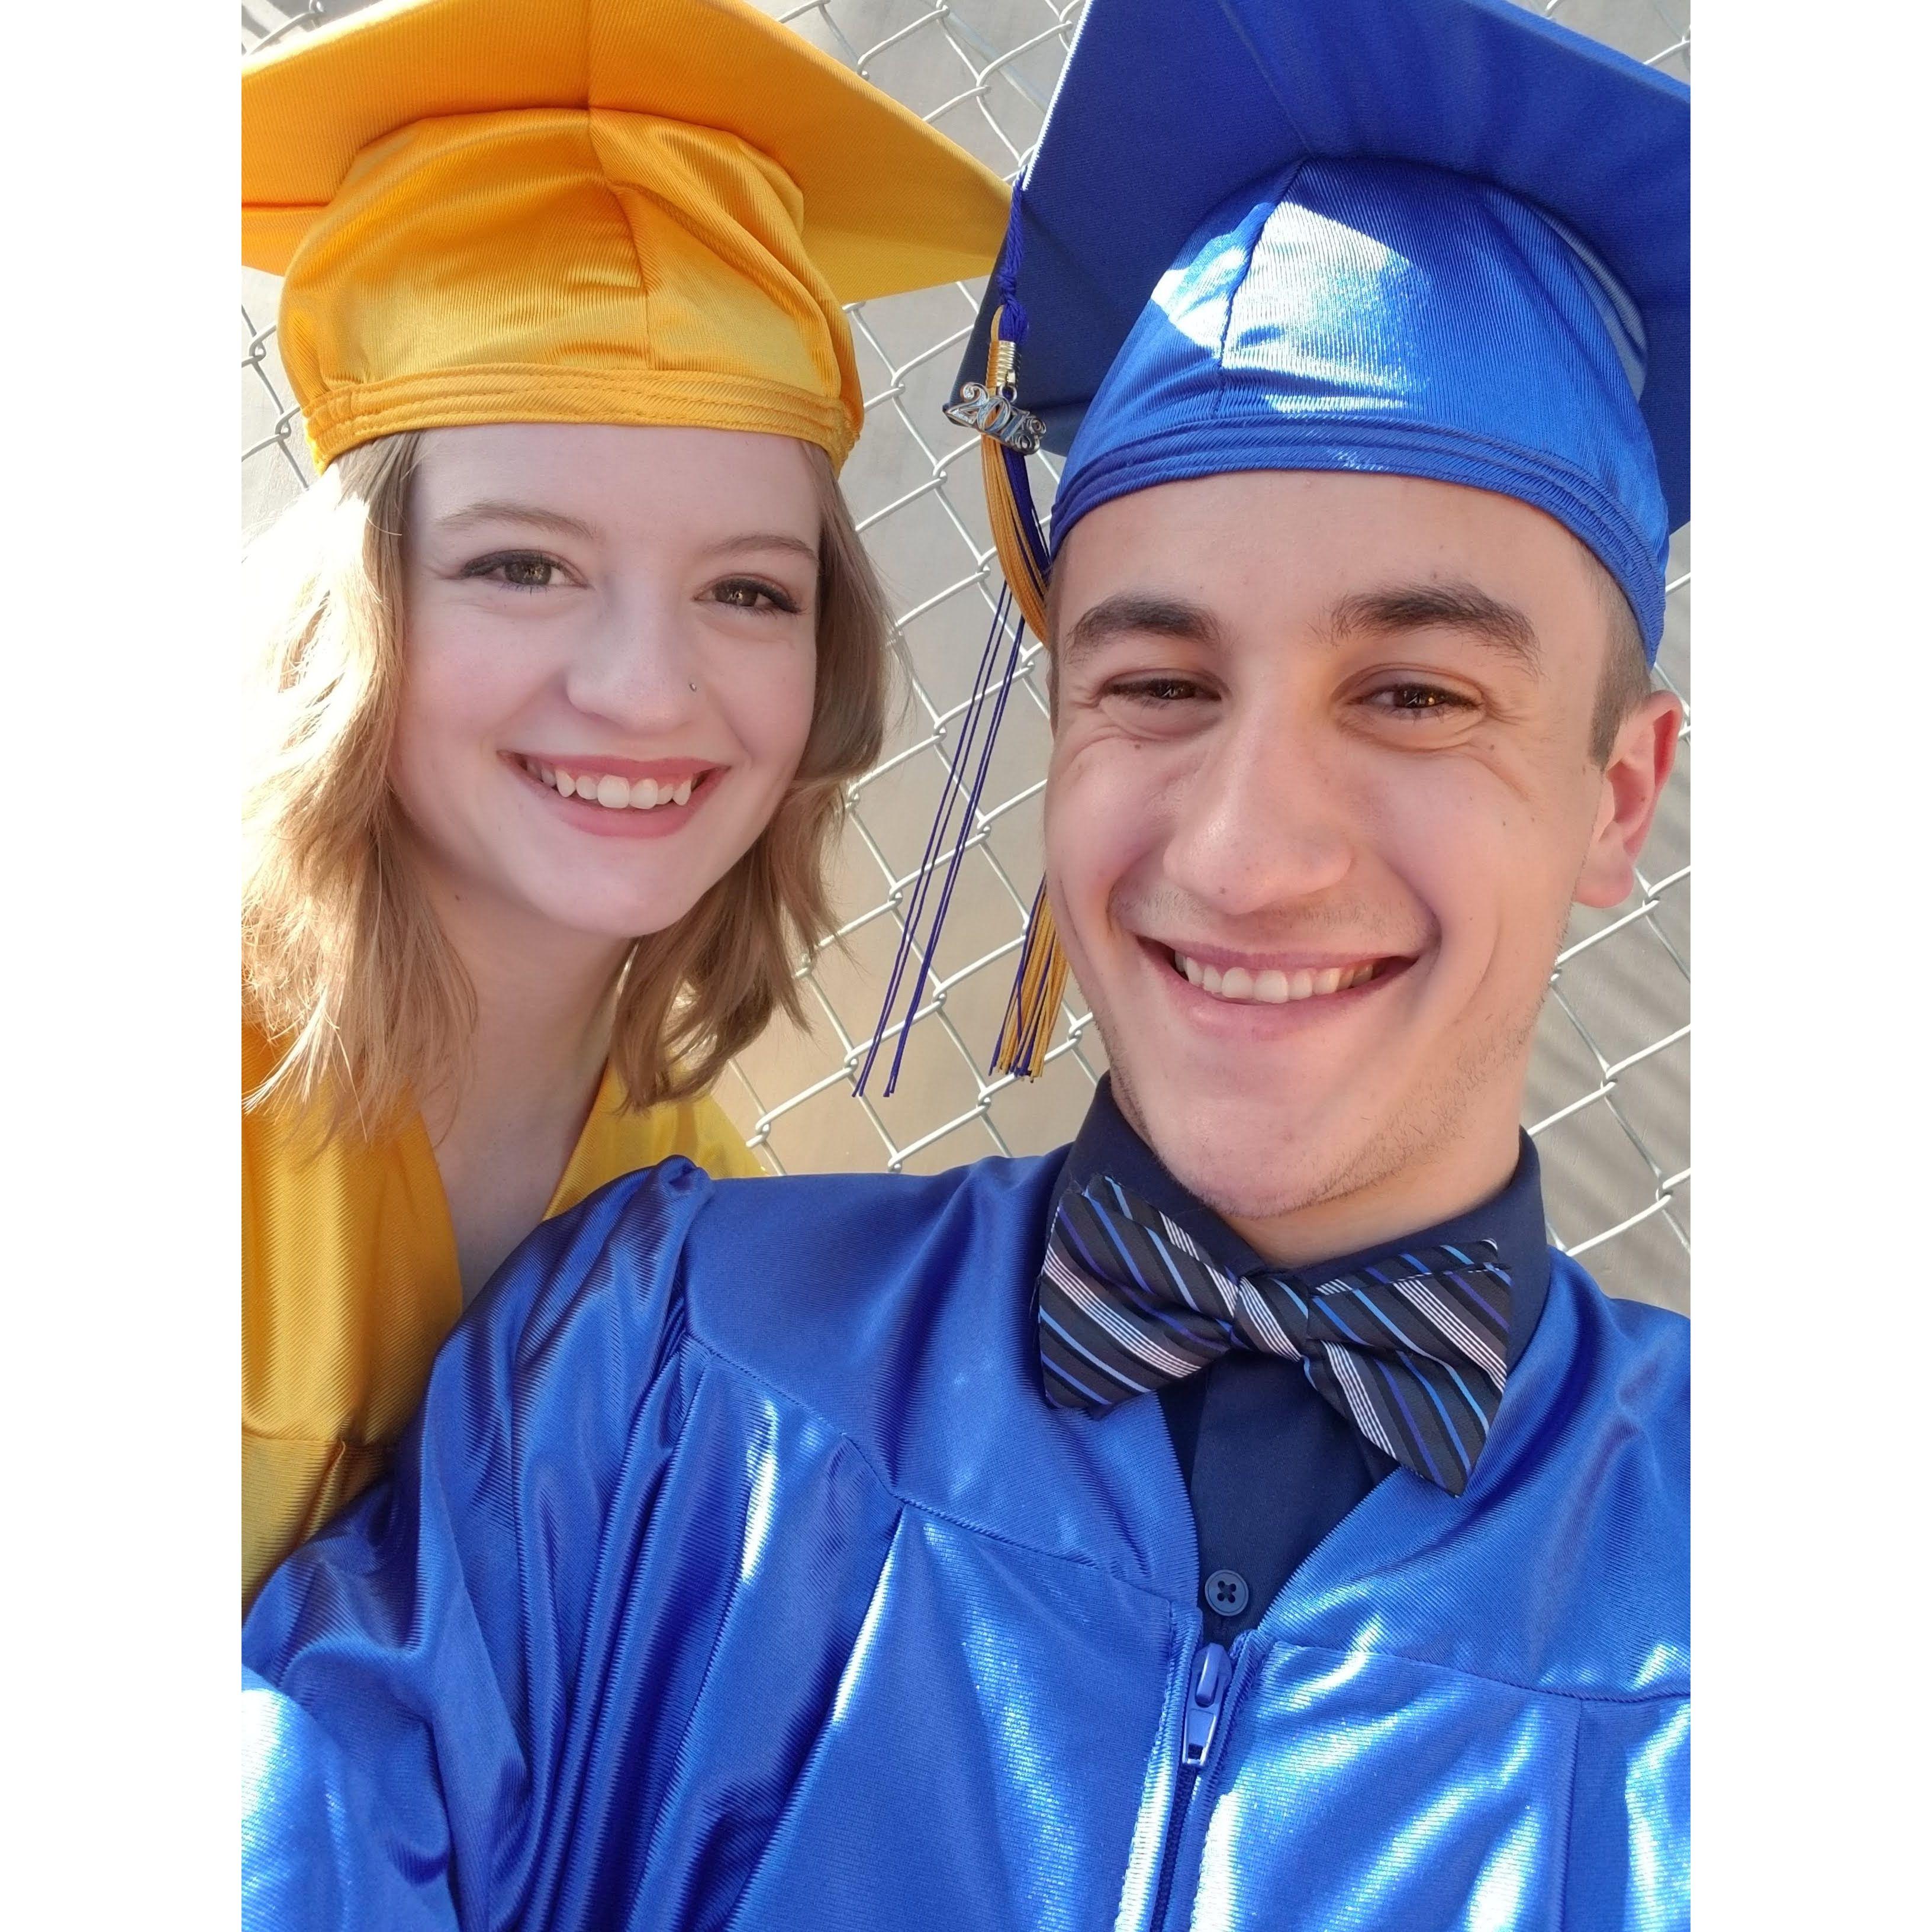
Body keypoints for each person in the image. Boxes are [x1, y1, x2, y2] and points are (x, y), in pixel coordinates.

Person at [242, 1, 1689, 1925]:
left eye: (1415, 694)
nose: (1248, 852)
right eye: (1159, 681)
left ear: (1622, 795)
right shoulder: (653, 1365)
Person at [237, 0, 1007, 1603]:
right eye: (524, 566)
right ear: (357, 606)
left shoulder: (700, 1229)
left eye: (746, 590)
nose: (649, 690)